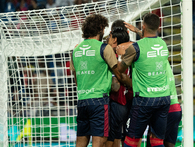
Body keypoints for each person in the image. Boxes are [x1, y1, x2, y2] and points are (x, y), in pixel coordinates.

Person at [70, 14, 131, 147]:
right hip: (99, 101)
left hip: (82, 99)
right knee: (99, 141)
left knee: (81, 140)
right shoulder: (104, 48)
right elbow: (119, 74)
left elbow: (76, 79)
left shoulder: (75, 50)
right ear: (101, 29)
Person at [117, 13, 171, 147]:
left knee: (131, 141)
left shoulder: (135, 48)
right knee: (157, 140)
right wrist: (138, 31)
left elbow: (120, 69)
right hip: (164, 97)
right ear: (158, 27)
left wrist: (120, 55)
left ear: (143, 25)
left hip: (144, 99)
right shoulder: (163, 44)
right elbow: (150, 40)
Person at [105, 19, 133, 147]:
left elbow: (115, 86)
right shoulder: (133, 50)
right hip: (128, 101)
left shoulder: (113, 54)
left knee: (108, 140)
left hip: (116, 102)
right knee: (122, 138)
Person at [145, 63, 182, 147]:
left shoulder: (152, 65)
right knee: (169, 144)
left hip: (164, 110)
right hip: (176, 108)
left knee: (154, 143)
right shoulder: (164, 63)